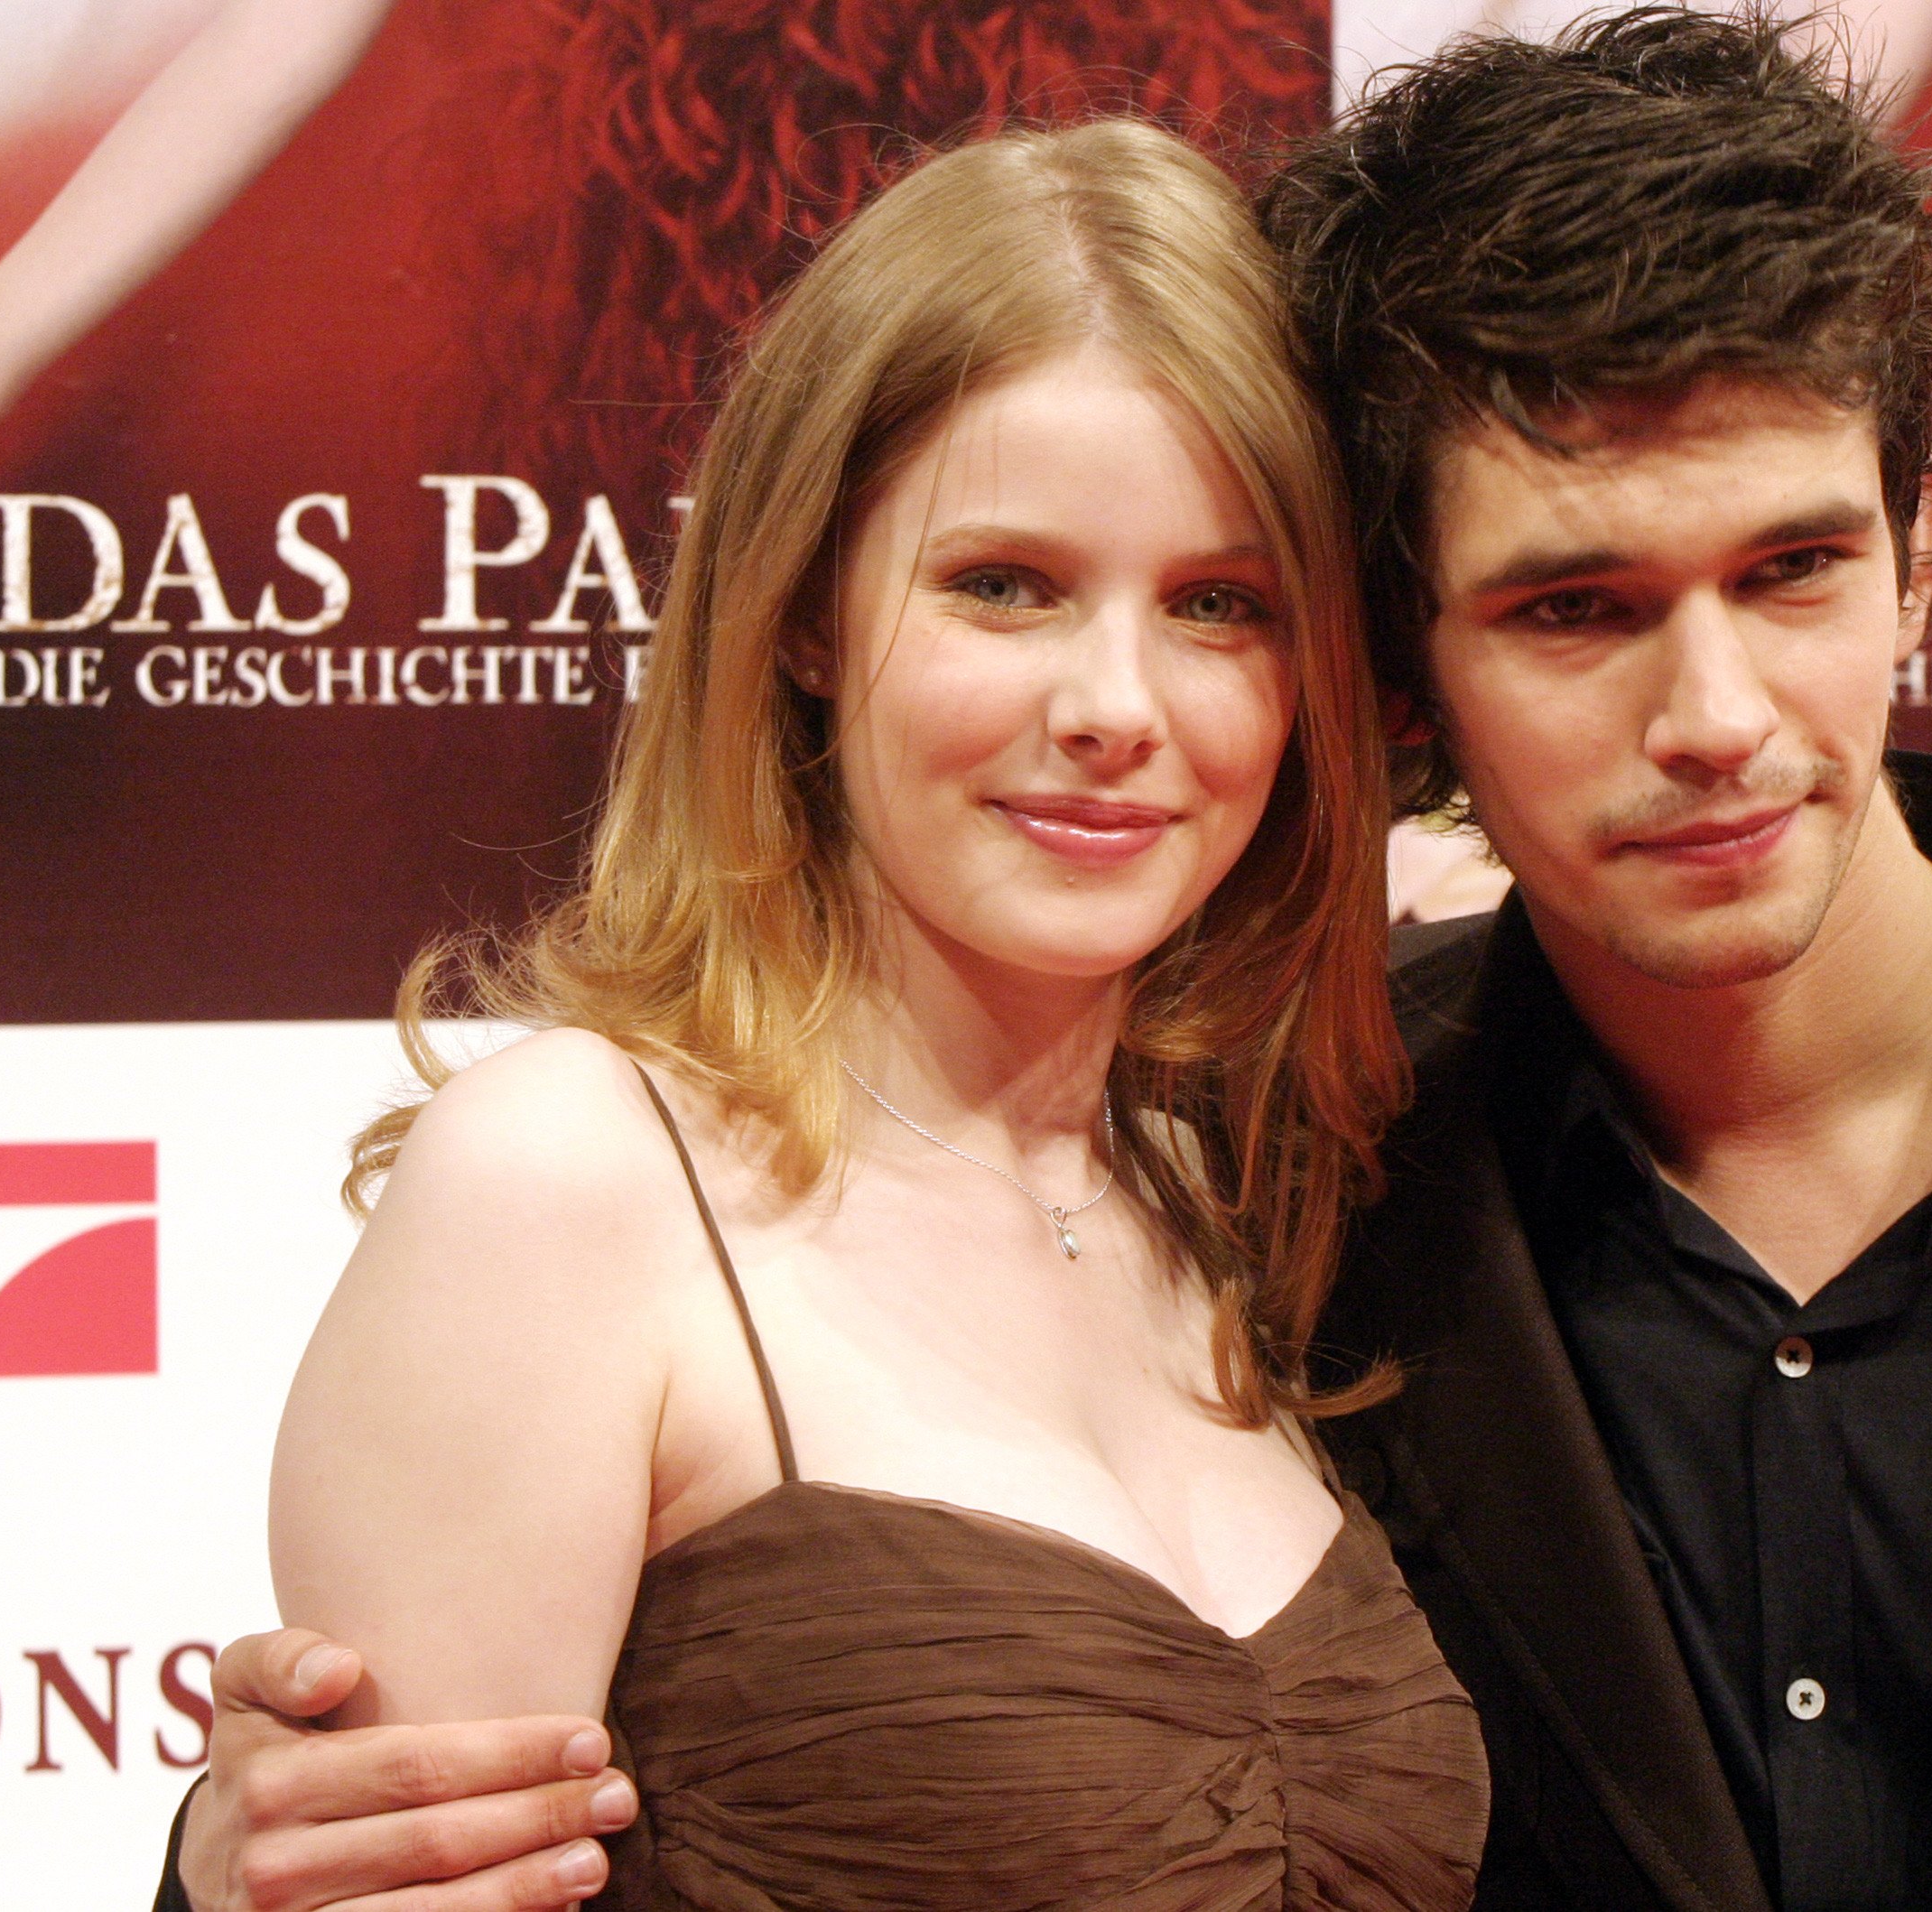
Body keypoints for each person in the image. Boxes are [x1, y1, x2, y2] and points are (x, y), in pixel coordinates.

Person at [161, 10, 1932, 1911]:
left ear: (1928, 542)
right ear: (1410, 662)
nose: (1716, 717)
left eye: (1796, 568)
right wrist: (233, 1860)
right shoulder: (1328, 1185)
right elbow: (480, 1803)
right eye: (1576, 606)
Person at [158, 116, 1487, 1912]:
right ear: (802, 608)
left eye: (1218, 605)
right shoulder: (567, 1184)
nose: (1116, 703)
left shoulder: (1239, 1199)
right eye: (1003, 585)